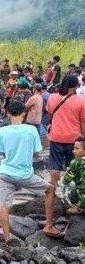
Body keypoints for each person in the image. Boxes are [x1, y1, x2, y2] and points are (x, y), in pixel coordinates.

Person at [0, 99, 57, 243]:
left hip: (5, 173)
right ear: (24, 113)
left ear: (8, 113)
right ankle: (48, 225)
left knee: (5, 207)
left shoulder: (2, 131)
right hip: (25, 174)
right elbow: (36, 152)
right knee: (50, 189)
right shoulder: (31, 130)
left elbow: (3, 152)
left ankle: (7, 239)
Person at [47, 74, 85, 236]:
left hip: (55, 137)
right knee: (74, 167)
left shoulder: (53, 97)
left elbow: (50, 114)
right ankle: (74, 198)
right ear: (74, 86)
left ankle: (54, 189)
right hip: (73, 139)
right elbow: (82, 122)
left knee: (55, 166)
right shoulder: (81, 100)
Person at [62, 136, 85, 214]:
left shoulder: (75, 162)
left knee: (66, 186)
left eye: (77, 148)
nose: (73, 151)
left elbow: (66, 180)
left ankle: (79, 208)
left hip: (83, 196)